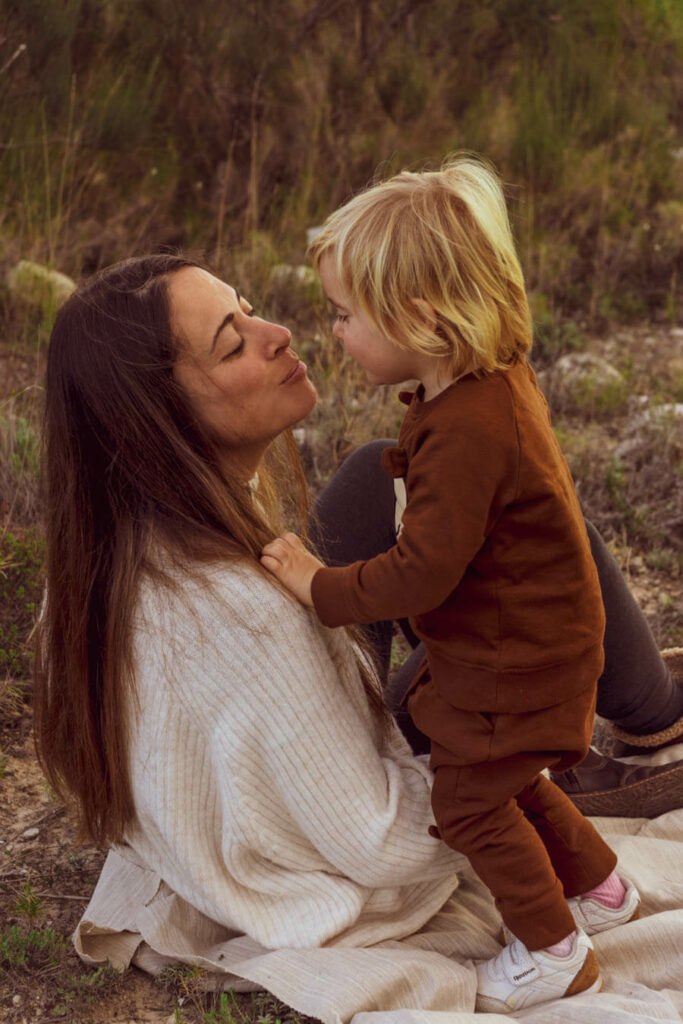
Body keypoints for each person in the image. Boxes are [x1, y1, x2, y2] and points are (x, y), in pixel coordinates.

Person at [33, 254, 682, 1012]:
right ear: (155, 417)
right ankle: (657, 727)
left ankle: (654, 712)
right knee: (523, 555)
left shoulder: (114, 543)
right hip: (344, 822)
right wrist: (508, 777)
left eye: (248, 309)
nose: (275, 332)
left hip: (303, 720)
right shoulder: (239, 621)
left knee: (388, 475)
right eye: (232, 343)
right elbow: (371, 841)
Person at [259, 156, 681, 1012]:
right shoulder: (477, 392)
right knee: (514, 784)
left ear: (418, 315)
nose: (332, 331)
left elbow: (419, 575)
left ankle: (552, 950)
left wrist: (318, 584)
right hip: (537, 647)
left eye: (345, 315)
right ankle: (603, 895)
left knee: (470, 804)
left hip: (509, 662)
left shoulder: (465, 433)